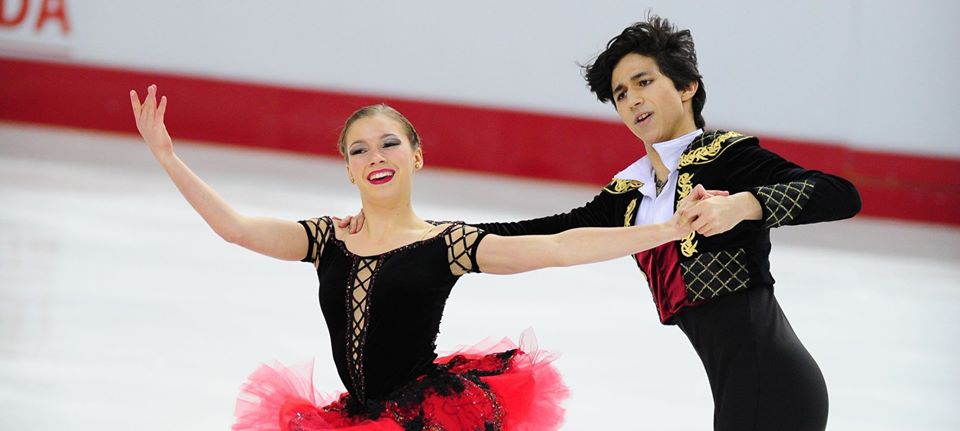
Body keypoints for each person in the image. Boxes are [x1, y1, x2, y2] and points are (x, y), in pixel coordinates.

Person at [338, 15, 862, 431]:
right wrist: (433, 236)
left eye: (644, 82)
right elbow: (551, 231)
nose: (632, 99)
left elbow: (842, 195)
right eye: (620, 93)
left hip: (775, 384)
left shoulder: (729, 157)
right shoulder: (630, 196)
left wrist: (741, 205)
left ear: (686, 88)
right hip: (736, 388)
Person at [129, 85, 716, 431]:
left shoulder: (448, 244)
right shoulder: (325, 238)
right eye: (359, 149)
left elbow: (560, 248)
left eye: (390, 143)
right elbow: (235, 229)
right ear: (349, 168)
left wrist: (663, 230)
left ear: (416, 156)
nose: (375, 156)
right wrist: (168, 158)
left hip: (425, 419)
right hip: (350, 418)